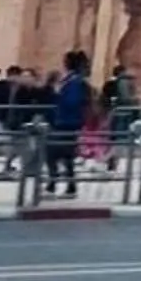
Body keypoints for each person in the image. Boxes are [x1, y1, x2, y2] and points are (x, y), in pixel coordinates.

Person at [44, 50, 92, 198]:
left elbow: (72, 102)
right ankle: (68, 186)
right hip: (66, 121)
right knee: (66, 155)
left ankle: (54, 184)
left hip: (66, 121)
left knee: (54, 153)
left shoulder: (74, 82)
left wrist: (58, 94)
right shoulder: (71, 80)